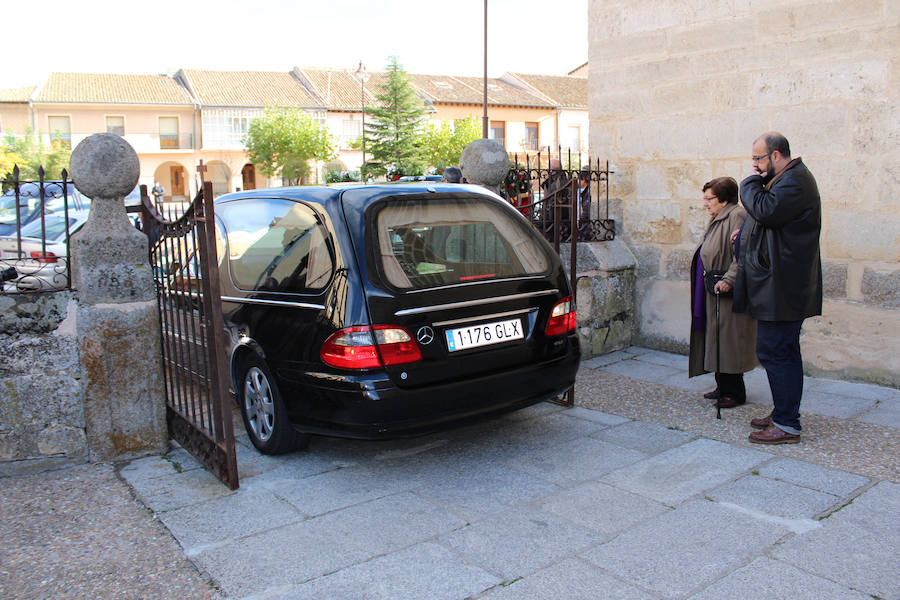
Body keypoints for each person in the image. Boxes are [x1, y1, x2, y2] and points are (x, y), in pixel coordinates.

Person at [735, 132, 822, 444]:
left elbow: (767, 210)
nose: (755, 165)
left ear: (775, 155)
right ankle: (784, 410)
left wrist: (748, 182)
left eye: (758, 158)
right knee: (781, 350)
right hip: (780, 284)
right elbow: (769, 222)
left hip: (784, 286)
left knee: (775, 350)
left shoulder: (794, 180)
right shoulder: (787, 179)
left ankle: (787, 424)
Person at [688, 177, 758, 409]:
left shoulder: (736, 215)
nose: (705, 203)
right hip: (711, 287)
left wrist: (729, 279)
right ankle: (722, 386)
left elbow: (743, 252)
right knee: (715, 337)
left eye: (709, 198)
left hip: (725, 289)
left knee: (728, 339)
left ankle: (735, 392)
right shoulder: (718, 217)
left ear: (724, 199)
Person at [540, 159, 572, 239]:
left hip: (555, 223)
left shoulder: (557, 182)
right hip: (561, 223)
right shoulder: (564, 181)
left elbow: (550, 203)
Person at [576, 167, 592, 240]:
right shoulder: (585, 191)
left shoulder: (588, 192)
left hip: (586, 224)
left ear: (584, 180)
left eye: (579, 179)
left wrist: (581, 219)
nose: (577, 181)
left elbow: (586, 208)